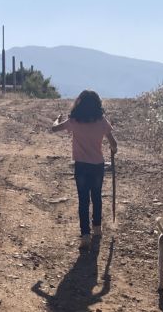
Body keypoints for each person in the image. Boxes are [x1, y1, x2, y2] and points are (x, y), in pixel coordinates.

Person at [52, 90, 117, 248]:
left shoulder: (74, 121)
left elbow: (54, 128)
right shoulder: (101, 121)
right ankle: (97, 229)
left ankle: (85, 235)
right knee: (96, 197)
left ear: (79, 103)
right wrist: (113, 150)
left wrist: (57, 120)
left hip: (81, 166)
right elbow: (113, 144)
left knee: (83, 200)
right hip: (97, 165)